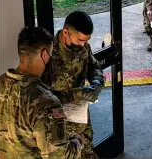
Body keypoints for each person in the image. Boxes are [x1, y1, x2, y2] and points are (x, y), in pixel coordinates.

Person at [0, 27, 83, 159]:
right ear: (44, 54)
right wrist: (78, 140)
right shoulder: (47, 102)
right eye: (50, 54)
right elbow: (60, 156)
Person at [42, 11, 105, 159]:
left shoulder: (83, 48)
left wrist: (96, 82)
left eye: (86, 41)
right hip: (58, 123)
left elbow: (94, 67)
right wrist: (76, 94)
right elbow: (42, 97)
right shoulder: (47, 53)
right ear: (65, 32)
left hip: (81, 118)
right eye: (80, 40)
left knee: (89, 153)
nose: (83, 45)